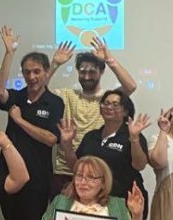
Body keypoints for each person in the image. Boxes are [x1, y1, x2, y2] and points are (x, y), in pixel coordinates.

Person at [0, 26, 64, 220]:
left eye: (36, 71)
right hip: (9, 177)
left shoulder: (54, 102)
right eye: (26, 72)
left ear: (46, 72)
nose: (31, 77)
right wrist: (9, 53)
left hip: (37, 179)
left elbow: (50, 139)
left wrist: (20, 121)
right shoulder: (17, 96)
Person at [49, 37, 137, 197]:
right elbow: (40, 90)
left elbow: (130, 86)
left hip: (95, 175)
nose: (87, 76)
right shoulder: (67, 95)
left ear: (101, 72)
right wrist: (54, 64)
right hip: (65, 172)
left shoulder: (108, 100)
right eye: (82, 71)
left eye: (92, 71)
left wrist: (109, 59)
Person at [58, 89, 150, 216]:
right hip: (92, 201)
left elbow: (140, 165)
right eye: (105, 104)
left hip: (121, 201)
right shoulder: (91, 136)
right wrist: (67, 145)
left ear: (126, 111)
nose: (109, 107)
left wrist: (134, 138)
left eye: (115, 104)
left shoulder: (133, 135)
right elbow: (76, 166)